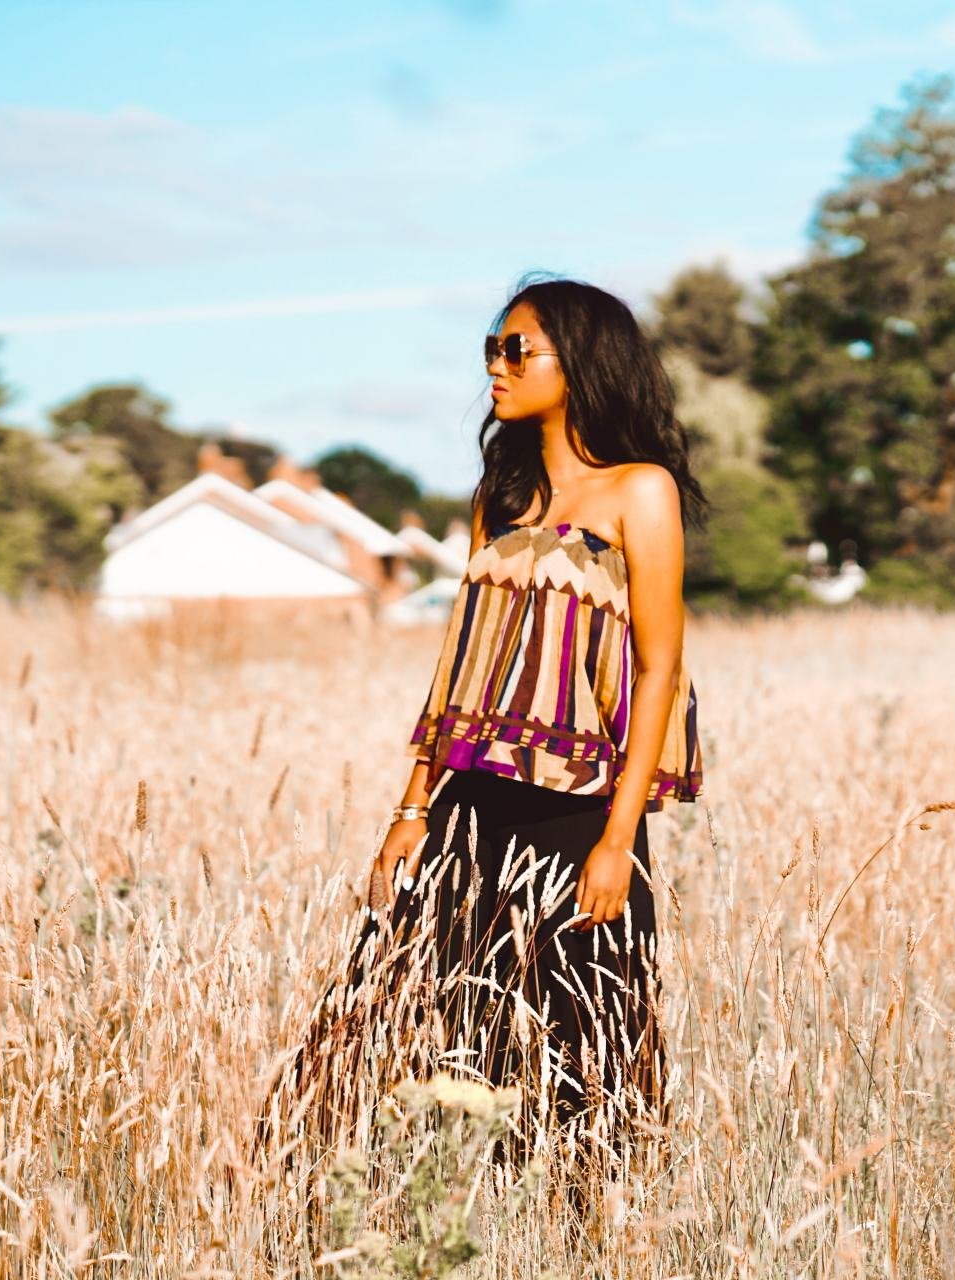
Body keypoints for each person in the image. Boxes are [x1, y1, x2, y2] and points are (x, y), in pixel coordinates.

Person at [358, 274, 708, 1186]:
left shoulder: (642, 491)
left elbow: (657, 669)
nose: (497, 368)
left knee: (591, 1033)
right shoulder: (499, 496)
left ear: (581, 362)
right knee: (449, 1027)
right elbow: (459, 664)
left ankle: (592, 1225)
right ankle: (464, 1209)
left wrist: (619, 841)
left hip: (579, 811)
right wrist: (411, 811)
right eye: (493, 348)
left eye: (519, 350)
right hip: (471, 803)